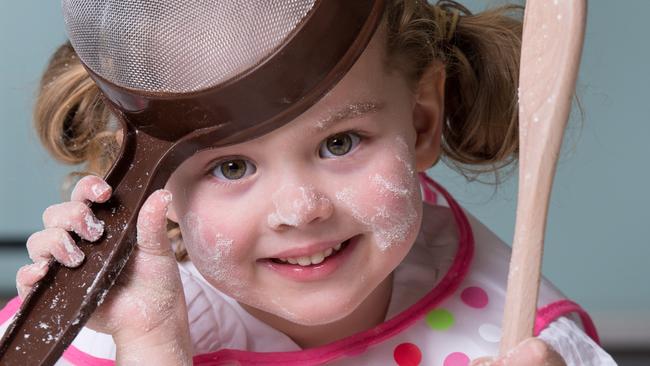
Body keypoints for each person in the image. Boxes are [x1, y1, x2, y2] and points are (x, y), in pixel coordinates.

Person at [0, 1, 616, 365]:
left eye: (338, 143)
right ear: (150, 189)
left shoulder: (531, 340)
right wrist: (151, 342)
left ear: (422, 121)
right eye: (232, 166)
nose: (300, 210)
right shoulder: (117, 327)